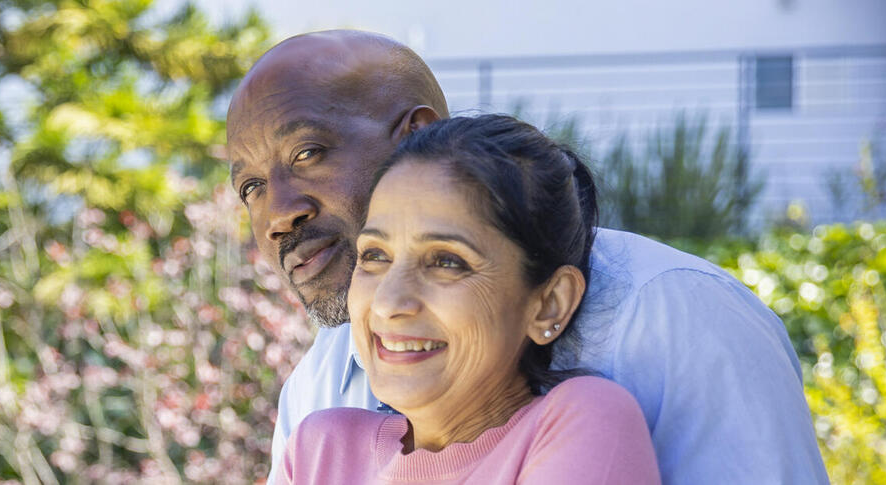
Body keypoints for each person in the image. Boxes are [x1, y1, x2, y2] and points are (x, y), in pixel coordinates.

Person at [224, 30, 828, 484]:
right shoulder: (319, 397)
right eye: (249, 187)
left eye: (307, 153)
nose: (276, 215)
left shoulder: (675, 315)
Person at [277, 114, 658, 484]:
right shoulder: (322, 449)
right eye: (374, 256)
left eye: (446, 262)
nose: (388, 303)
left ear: (549, 304)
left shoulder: (583, 421)